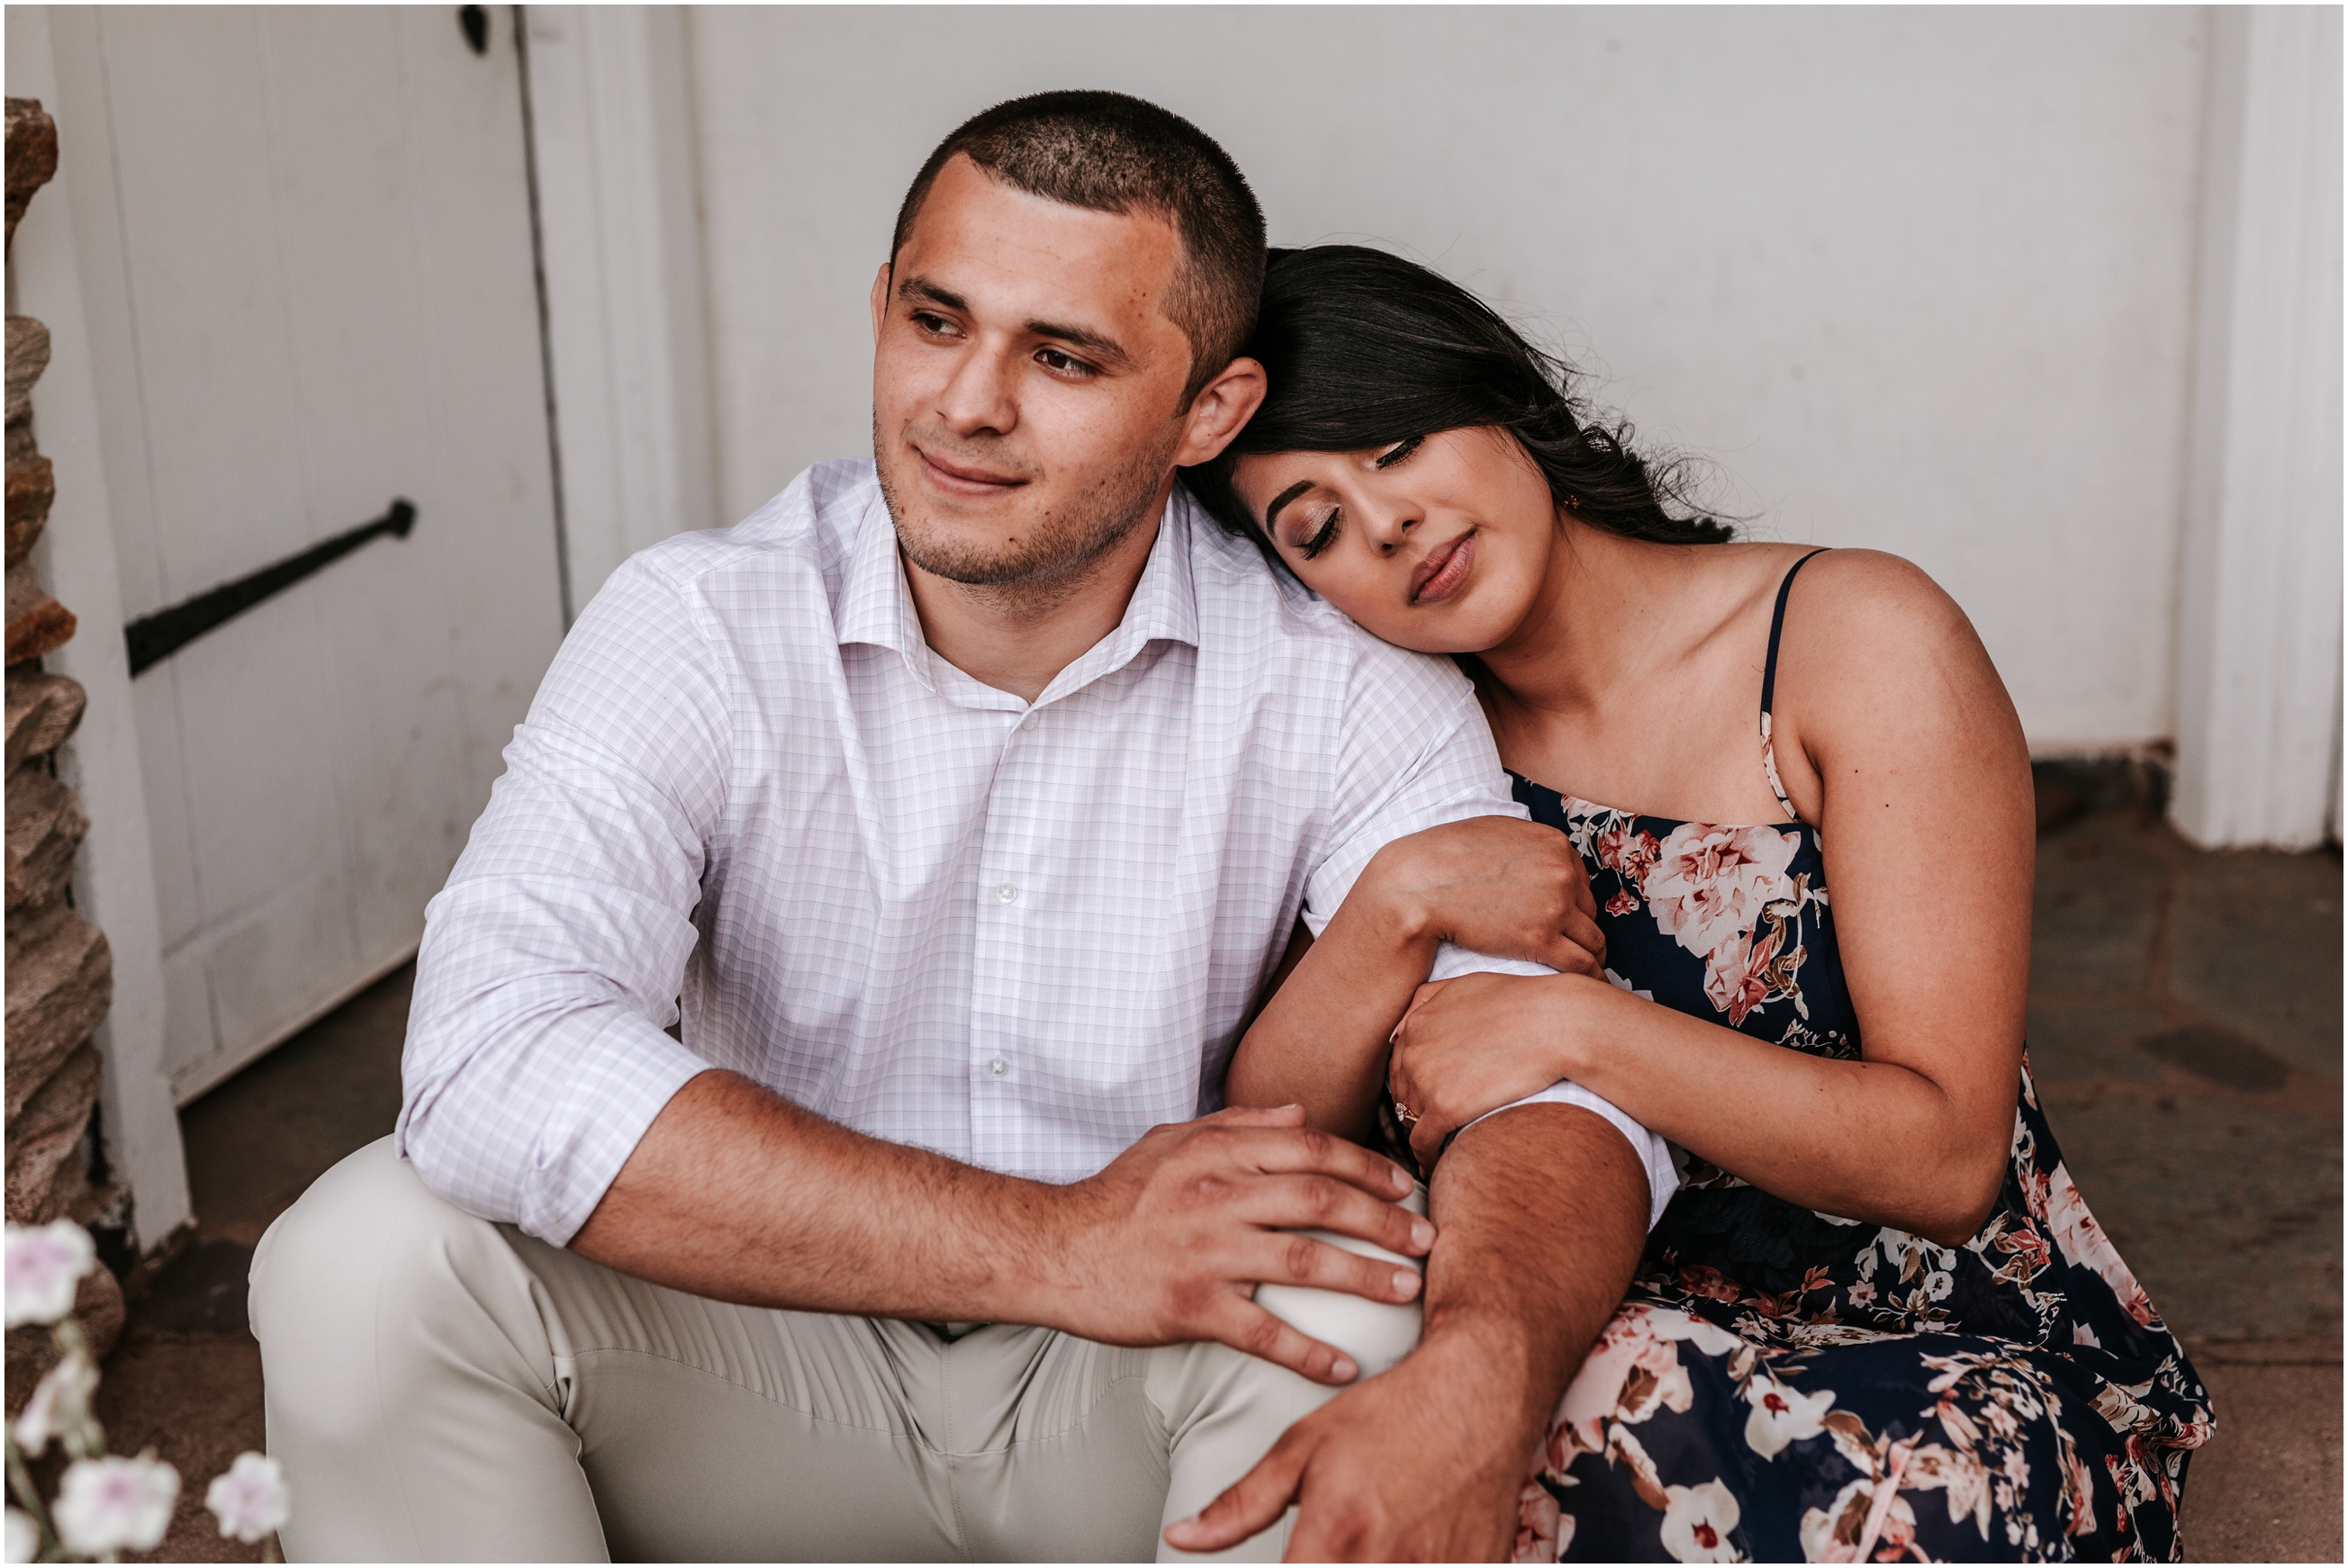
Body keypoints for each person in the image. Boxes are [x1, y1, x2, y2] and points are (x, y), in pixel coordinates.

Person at [248, 95, 1676, 1563]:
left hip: (1122, 1410)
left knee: (1353, 1296)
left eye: (1063, 357)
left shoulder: (1342, 681)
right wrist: (1058, 1243)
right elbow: (494, 1049)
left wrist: (1486, 1375)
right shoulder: (698, 620)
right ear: (881, 305)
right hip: (753, 1370)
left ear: (1211, 413)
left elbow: (1545, 1078)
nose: (967, 403)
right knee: (360, 1263)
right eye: (936, 321)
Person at [1187, 245, 2214, 1562]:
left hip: (1925, 1333)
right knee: (1402, 1416)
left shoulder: (1853, 640)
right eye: (1314, 525)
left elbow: (1949, 1162)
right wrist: (1393, 901)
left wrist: (1577, 1032)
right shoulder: (1399, 742)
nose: (1383, 523)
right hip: (1566, 1305)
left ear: (1497, 394)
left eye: (1397, 444)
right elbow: (1273, 1132)